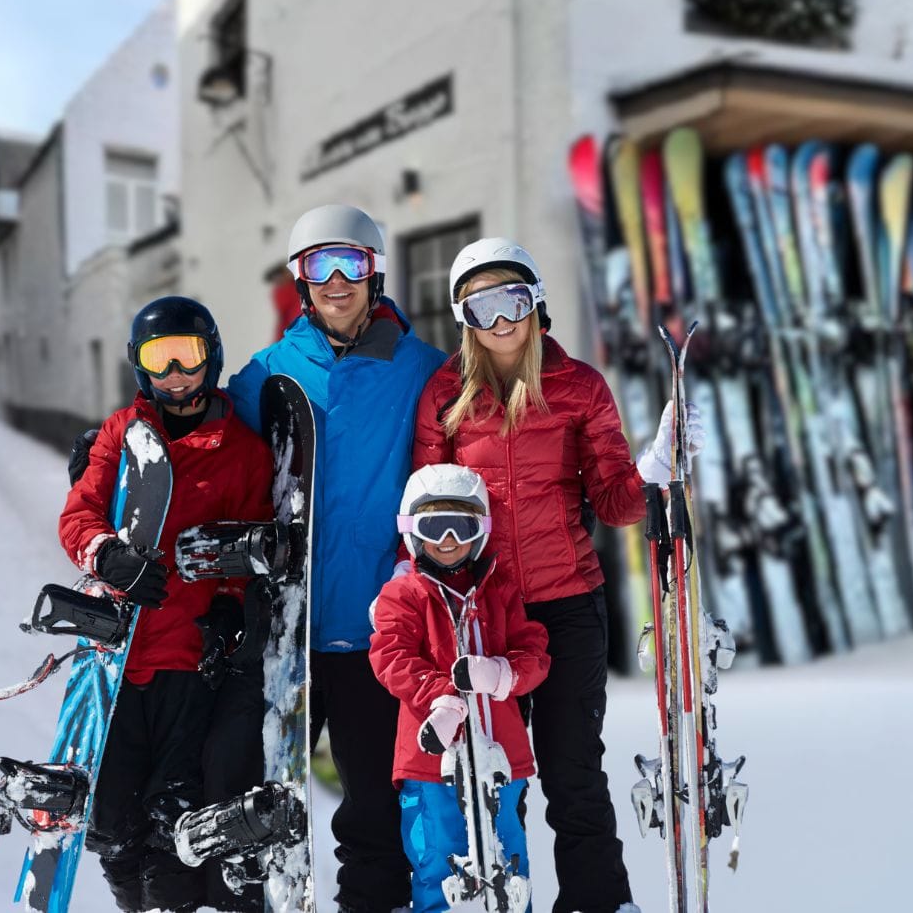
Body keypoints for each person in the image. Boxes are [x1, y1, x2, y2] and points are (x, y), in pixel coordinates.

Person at [412, 238, 700, 913]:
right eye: (479, 306)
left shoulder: (579, 387)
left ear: (536, 303)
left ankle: (597, 901)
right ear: (464, 320)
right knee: (489, 775)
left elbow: (616, 502)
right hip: (481, 615)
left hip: (569, 607)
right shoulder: (445, 393)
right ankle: (495, 897)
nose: (500, 319)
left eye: (512, 299)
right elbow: (422, 499)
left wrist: (659, 472)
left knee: (572, 772)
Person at [227, 204, 447, 912]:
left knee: (374, 817)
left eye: (352, 262)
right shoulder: (266, 375)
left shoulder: (423, 371)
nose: (337, 280)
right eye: (320, 265)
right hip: (285, 637)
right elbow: (201, 450)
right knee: (262, 807)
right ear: (300, 279)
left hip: (376, 633)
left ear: (374, 270)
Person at [57, 296, 274, 913]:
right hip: (114, 659)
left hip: (184, 656)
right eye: (160, 358)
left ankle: (171, 904)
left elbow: (249, 545)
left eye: (189, 355)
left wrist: (232, 604)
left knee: (173, 810)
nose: (176, 373)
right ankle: (134, 902)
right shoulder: (121, 433)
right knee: (111, 817)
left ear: (212, 357)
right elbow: (78, 515)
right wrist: (105, 554)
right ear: (139, 365)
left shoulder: (243, 453)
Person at [369, 464, 550, 913]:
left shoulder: (498, 591)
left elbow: (534, 651)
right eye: (435, 526)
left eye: (461, 525)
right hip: (431, 762)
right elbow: (390, 655)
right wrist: (440, 698)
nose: (448, 540)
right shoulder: (403, 594)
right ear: (412, 530)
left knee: (509, 859)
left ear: (481, 530)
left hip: (499, 758)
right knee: (437, 858)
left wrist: (501, 674)